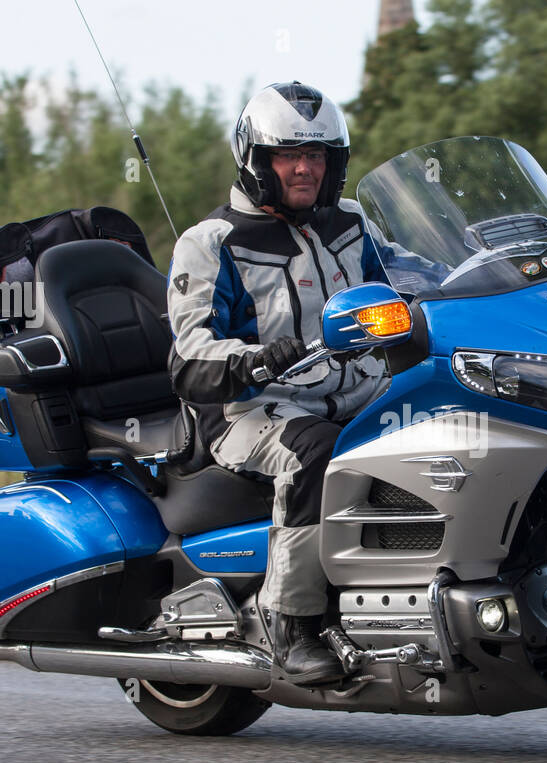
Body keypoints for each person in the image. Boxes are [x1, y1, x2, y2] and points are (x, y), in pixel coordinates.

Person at [165, 81, 393, 686]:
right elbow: (188, 360)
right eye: (288, 155)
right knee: (317, 452)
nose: (303, 168)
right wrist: (259, 359)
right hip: (251, 410)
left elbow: (411, 280)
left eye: (316, 155)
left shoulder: (349, 222)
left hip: (357, 393)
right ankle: (291, 623)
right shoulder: (212, 243)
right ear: (257, 160)